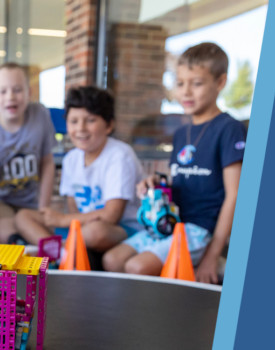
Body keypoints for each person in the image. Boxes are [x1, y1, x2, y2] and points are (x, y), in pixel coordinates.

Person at [104, 43, 244, 284]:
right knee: (112, 260)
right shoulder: (181, 133)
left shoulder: (229, 129)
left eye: (196, 83)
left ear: (220, 83)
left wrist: (212, 255)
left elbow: (236, 195)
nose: (186, 92)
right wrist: (156, 182)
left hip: (201, 229)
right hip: (170, 224)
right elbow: (177, 182)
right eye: (180, 83)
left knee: (137, 267)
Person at [40, 86, 143, 260]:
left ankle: (53, 251)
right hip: (85, 227)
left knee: (97, 231)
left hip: (122, 230)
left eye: (90, 120)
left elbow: (111, 216)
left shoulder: (120, 156)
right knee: (25, 217)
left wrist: (61, 220)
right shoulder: (71, 159)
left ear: (109, 125)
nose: (81, 128)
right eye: (73, 121)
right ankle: (58, 249)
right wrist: (67, 221)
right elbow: (74, 210)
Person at [0, 63, 56, 245]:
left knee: (39, 230)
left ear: (29, 93)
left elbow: (47, 164)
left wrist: (44, 208)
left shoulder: (40, 114)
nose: (10, 96)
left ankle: (56, 256)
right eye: (3, 91)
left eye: (17, 90)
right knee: (5, 232)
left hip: (29, 200)